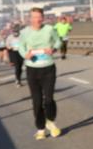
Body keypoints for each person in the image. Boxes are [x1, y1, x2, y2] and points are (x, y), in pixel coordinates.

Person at [18, 8, 63, 140]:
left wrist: (53, 49)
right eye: (34, 17)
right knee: (37, 102)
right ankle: (41, 129)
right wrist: (25, 54)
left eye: (39, 17)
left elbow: (58, 41)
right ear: (30, 18)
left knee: (49, 99)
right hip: (32, 70)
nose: (37, 20)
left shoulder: (49, 29)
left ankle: (51, 121)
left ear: (42, 18)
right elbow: (21, 47)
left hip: (48, 68)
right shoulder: (24, 32)